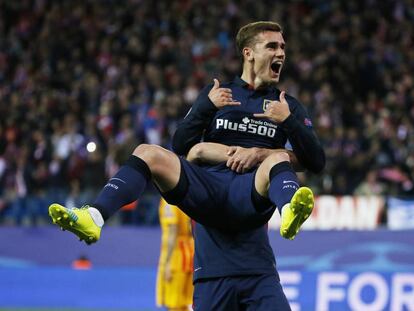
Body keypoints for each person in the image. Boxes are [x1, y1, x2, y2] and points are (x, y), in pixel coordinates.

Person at [49, 21, 325, 310]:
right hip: (208, 190)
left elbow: (315, 161)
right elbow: (181, 146)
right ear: (249, 53)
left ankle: (290, 209)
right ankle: (94, 216)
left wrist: (284, 125)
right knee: (147, 152)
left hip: (248, 192)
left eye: (283, 47)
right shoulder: (219, 93)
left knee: (277, 158)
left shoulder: (285, 104)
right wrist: (206, 107)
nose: (281, 52)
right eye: (272, 46)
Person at [156, 198, 194, 311]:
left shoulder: (169, 200)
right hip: (190, 252)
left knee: (174, 302)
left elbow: (173, 231)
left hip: (176, 257)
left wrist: (167, 263)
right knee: (187, 302)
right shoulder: (184, 196)